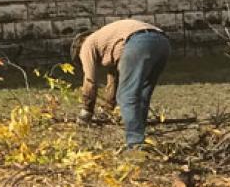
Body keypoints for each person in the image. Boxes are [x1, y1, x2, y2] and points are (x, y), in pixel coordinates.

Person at [73, 18, 171, 147]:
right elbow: (114, 78)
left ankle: (135, 144)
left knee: (127, 96)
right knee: (142, 94)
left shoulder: (86, 45)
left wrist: (86, 111)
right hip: (162, 42)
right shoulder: (109, 41)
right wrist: (108, 107)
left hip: (139, 42)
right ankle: (139, 133)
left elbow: (90, 80)